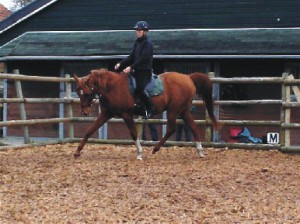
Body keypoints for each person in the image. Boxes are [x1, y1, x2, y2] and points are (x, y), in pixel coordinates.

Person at [114, 21, 154, 119]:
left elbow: (143, 58)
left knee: (139, 88)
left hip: (144, 70)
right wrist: (120, 63)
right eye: (136, 30)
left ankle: (150, 109)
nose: (137, 32)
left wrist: (131, 67)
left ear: (145, 31)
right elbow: (132, 56)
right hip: (136, 70)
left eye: (139, 30)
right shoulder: (137, 42)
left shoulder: (148, 43)